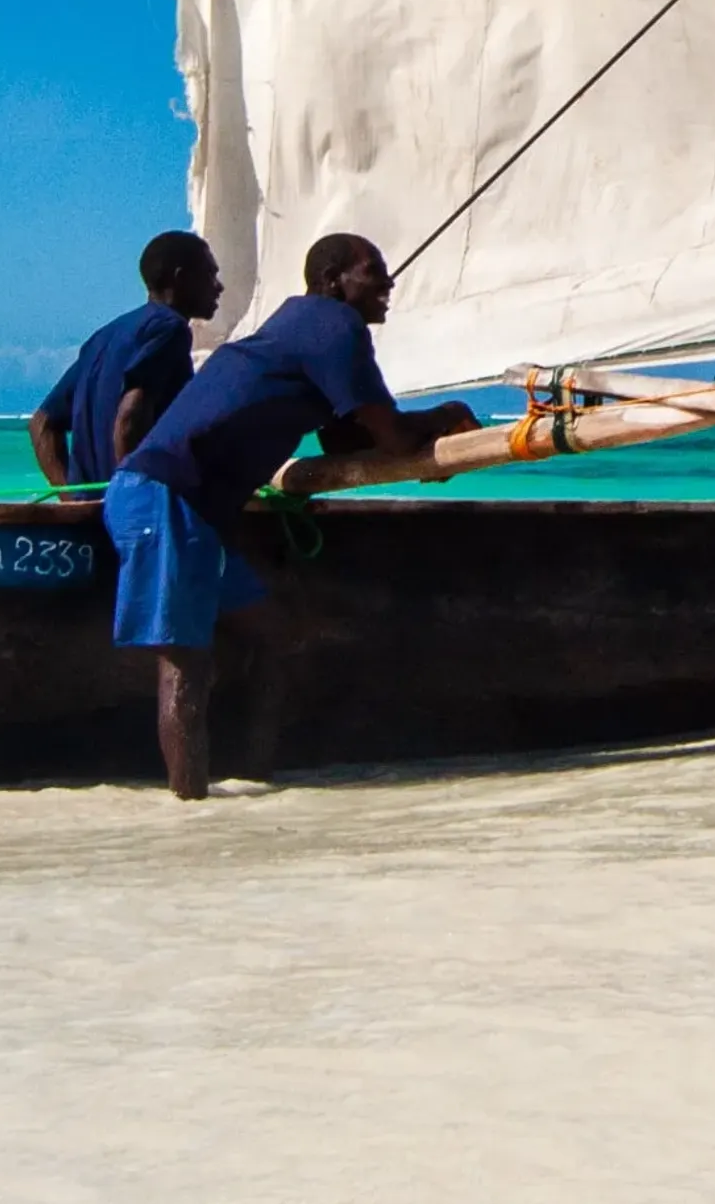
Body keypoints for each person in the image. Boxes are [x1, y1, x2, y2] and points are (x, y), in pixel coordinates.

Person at [104, 232, 480, 798]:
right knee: (186, 667)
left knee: (273, 636)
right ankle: (190, 815)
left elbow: (343, 439)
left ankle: (257, 781)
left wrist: (424, 431)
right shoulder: (333, 326)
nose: (388, 282)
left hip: (188, 509)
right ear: (332, 282)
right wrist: (447, 415)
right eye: (371, 270)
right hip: (165, 497)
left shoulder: (299, 328)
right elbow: (394, 436)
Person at [25, 232, 223, 490]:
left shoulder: (104, 337)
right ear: (180, 277)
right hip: (132, 520)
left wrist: (71, 500)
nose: (218, 286)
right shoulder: (171, 329)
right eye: (209, 274)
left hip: (94, 517)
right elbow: (130, 416)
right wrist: (132, 500)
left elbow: (41, 423)